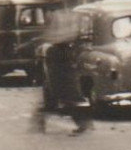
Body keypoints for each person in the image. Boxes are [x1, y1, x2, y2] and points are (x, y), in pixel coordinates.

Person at [33, 8, 91, 136]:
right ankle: (39, 123)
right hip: (60, 58)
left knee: (63, 96)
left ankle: (83, 123)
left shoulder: (60, 19)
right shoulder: (66, 17)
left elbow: (56, 38)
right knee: (54, 95)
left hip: (58, 61)